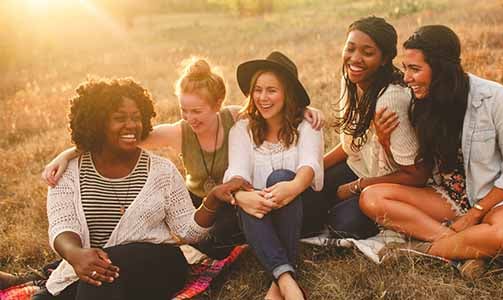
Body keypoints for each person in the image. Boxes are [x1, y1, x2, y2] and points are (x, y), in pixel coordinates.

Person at [41, 57, 324, 260]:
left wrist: (306, 109)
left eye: (197, 111)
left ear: (217, 105)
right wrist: (70, 152)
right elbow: (120, 136)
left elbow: (270, 106)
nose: (190, 118)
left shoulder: (236, 118)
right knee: (205, 233)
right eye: (184, 110)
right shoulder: (179, 131)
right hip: (199, 202)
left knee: (226, 233)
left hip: (232, 199)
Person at [360, 25, 503, 279]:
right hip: (449, 197)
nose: (406, 78)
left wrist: (474, 214)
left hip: (496, 198)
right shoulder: (421, 103)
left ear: (441, 69)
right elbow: (416, 172)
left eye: (415, 69)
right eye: (406, 68)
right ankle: (465, 250)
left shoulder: (495, 98)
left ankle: (424, 250)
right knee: (371, 198)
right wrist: (385, 141)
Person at [33, 78, 216, 299]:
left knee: (103, 272)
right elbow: (62, 224)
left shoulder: (162, 171)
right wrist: (75, 255)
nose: (131, 125)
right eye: (120, 118)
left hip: (159, 265)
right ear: (97, 123)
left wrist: (212, 201)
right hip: (89, 266)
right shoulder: (68, 171)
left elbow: (188, 231)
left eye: (137, 118)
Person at [307, 16, 429, 239]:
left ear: (384, 59)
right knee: (306, 194)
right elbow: (349, 147)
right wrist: (312, 170)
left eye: (367, 52)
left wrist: (358, 186)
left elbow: (417, 175)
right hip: (358, 168)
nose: (355, 59)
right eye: (350, 48)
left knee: (342, 226)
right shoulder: (351, 80)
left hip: (392, 182)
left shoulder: (390, 101)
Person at [223, 51, 323, 300]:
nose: (262, 98)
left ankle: (278, 280)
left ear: (287, 93)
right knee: (249, 196)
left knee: (279, 177)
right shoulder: (241, 130)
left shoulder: (307, 125)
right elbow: (236, 172)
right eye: (257, 90)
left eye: (271, 90)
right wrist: (240, 195)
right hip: (260, 214)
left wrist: (293, 186)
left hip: (302, 209)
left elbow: (309, 165)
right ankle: (286, 281)